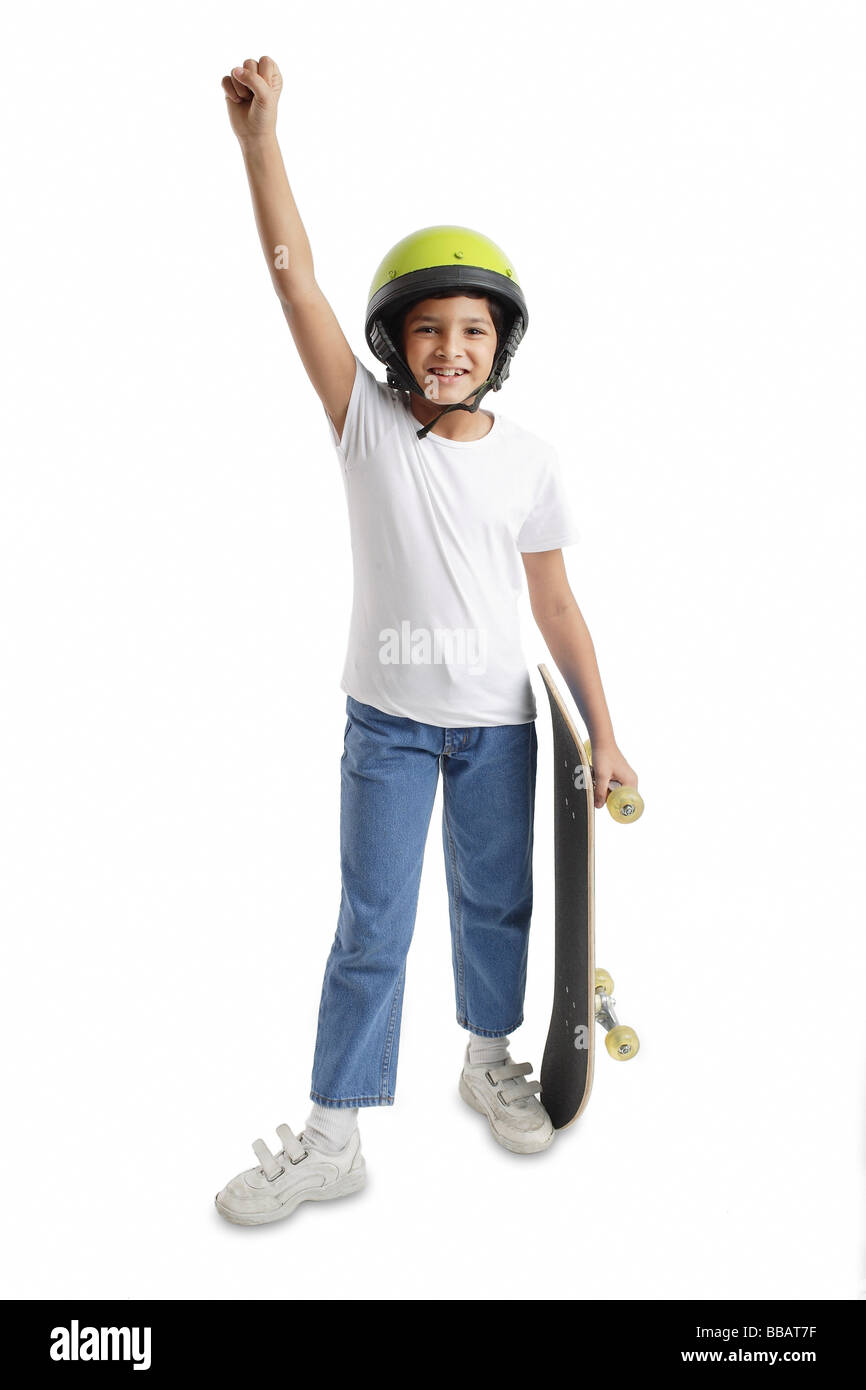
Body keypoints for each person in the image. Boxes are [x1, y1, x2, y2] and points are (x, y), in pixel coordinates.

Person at [214, 55, 639, 1227]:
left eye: (470, 329)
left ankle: (486, 1056)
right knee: (372, 927)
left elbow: (557, 607)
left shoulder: (529, 459)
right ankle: (333, 1135)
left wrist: (604, 735)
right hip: (388, 727)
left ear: (499, 343)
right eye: (425, 328)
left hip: (500, 726)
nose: (448, 346)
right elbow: (295, 286)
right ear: (392, 342)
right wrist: (260, 144)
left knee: (495, 908)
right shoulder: (363, 424)